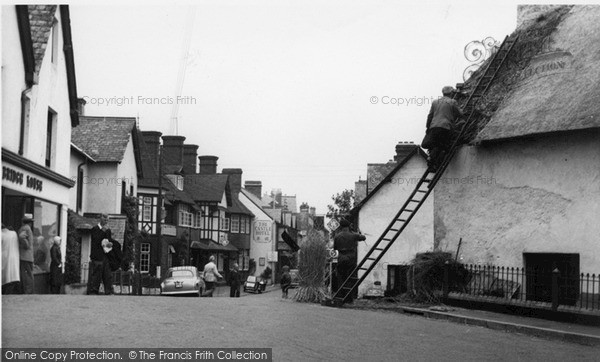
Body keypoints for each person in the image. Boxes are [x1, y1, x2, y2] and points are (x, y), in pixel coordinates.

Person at [425, 86, 464, 171]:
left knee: (435, 144)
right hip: (445, 127)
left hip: (434, 127)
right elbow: (460, 113)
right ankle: (436, 162)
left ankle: (431, 161)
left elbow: (430, 116)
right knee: (444, 146)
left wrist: (428, 128)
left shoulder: (435, 102)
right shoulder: (452, 102)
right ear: (451, 93)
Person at [333, 218, 366, 303]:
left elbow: (335, 248)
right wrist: (359, 234)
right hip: (351, 258)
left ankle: (340, 296)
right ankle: (349, 298)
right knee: (350, 278)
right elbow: (363, 237)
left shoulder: (337, 236)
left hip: (341, 258)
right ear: (348, 226)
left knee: (341, 278)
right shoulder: (353, 235)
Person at [88, 214, 114, 295]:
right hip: (97, 256)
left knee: (107, 275)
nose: (106, 221)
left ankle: (109, 292)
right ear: (101, 219)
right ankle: (94, 291)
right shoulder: (95, 229)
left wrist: (110, 244)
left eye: (107, 220)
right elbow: (96, 240)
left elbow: (109, 241)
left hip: (106, 256)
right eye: (105, 219)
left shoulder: (108, 230)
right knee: (96, 275)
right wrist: (102, 231)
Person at [18, 213, 35, 294]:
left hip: (24, 256)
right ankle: (30, 291)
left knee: (26, 275)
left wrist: (21, 242)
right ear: (30, 222)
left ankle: (27, 291)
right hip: (29, 256)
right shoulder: (28, 229)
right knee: (29, 274)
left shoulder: (24, 228)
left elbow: (26, 244)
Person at [2, 224, 20, 294]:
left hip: (4, 257)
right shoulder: (13, 234)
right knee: (11, 278)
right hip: (13, 258)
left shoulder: (2, 234)